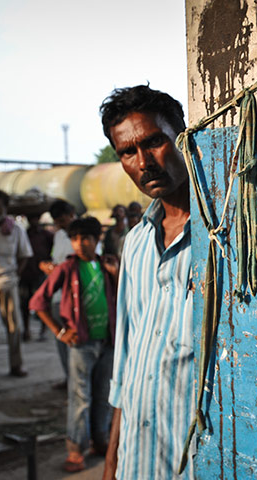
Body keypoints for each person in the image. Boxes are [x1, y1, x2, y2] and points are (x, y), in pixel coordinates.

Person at [99, 85, 194, 479]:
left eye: (154, 142)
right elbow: (126, 360)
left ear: (182, 137)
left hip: (194, 462)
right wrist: (111, 460)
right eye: (127, 152)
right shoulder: (135, 243)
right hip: (137, 462)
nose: (143, 163)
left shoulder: (223, 239)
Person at [30, 217, 118, 472]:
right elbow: (38, 302)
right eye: (75, 239)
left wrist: (116, 274)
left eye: (85, 238)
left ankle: (99, 440)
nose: (79, 244)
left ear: (96, 240)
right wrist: (59, 331)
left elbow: (122, 297)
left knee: (103, 395)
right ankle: (76, 449)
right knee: (81, 397)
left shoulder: (107, 265)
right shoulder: (67, 268)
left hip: (106, 342)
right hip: (82, 344)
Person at [0, 190, 32, 377]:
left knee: (13, 326)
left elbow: (24, 255)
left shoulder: (15, 229)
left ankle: (16, 365)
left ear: (5, 207)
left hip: (7, 281)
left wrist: (15, 275)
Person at [40, 199, 78, 385]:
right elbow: (58, 258)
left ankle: (78, 379)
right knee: (61, 338)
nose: (60, 225)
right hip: (58, 294)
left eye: (62, 220)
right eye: (57, 222)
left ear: (71, 214)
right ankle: (68, 377)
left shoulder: (82, 233)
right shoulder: (59, 235)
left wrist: (59, 269)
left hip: (75, 295)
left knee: (76, 340)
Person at [19, 212, 54, 340]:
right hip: (25, 273)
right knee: (24, 304)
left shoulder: (46, 235)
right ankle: (26, 330)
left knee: (43, 303)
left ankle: (43, 330)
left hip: (40, 275)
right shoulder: (24, 234)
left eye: (35, 218)